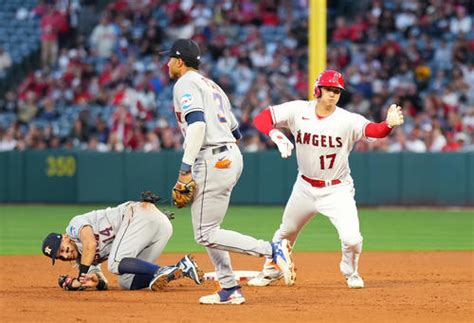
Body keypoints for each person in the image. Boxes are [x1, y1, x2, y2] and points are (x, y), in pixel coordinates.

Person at [165, 39, 295, 305]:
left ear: (179, 61)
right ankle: (229, 289)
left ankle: (271, 249)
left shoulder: (185, 83)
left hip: (212, 156)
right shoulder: (213, 85)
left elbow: (197, 126)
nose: (166, 63)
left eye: (169, 59)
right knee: (210, 228)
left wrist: (185, 170)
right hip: (228, 154)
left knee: (205, 233)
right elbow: (235, 132)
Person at [250, 70, 404, 288]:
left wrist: (388, 124)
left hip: (336, 189)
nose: (333, 94)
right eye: (329, 89)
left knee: (352, 239)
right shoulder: (298, 110)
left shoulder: (347, 120)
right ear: (318, 89)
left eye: (337, 91)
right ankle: (270, 271)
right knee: (286, 232)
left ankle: (351, 273)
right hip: (304, 186)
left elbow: (375, 131)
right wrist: (274, 134)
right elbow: (262, 118)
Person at [41, 191, 203, 291]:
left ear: (66, 238)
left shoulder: (74, 226)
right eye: (60, 256)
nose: (64, 254)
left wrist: (81, 276)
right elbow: (102, 282)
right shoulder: (83, 260)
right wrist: (94, 282)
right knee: (126, 281)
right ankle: (180, 268)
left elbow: (90, 244)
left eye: (61, 248)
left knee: (114, 262)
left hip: (139, 214)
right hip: (157, 229)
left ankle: (161, 271)